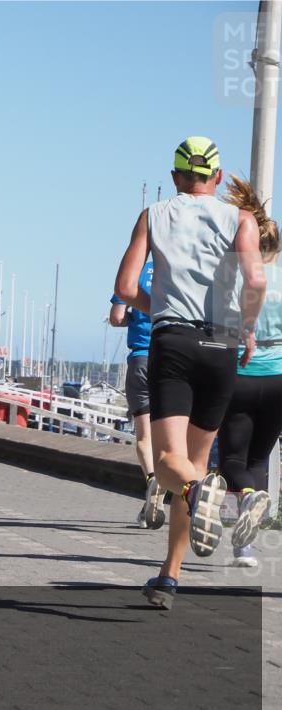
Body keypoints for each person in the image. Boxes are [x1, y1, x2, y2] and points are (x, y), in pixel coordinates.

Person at [114, 137, 266, 609]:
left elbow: (123, 287)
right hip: (221, 344)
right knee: (192, 466)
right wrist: (246, 328)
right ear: (218, 178)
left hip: (173, 342)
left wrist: (154, 305)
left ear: (175, 176)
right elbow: (256, 279)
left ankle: (205, 493)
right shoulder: (239, 218)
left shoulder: (154, 215)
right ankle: (169, 576)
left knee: (168, 466)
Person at [215, 176, 281, 568]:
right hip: (278, 379)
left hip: (241, 370)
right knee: (258, 459)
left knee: (232, 461)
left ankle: (245, 532)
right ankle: (247, 547)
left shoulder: (239, 276)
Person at [109, 259, 162, 529]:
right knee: (172, 435)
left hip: (141, 359)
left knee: (145, 436)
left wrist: (134, 320)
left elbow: (117, 317)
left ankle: (152, 479)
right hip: (172, 359)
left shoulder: (135, 270)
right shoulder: (179, 268)